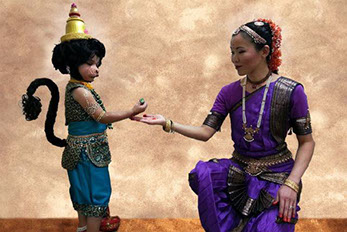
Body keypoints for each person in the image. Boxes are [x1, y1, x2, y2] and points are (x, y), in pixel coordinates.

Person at [134, 19, 315, 231]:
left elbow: (307, 143)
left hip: (278, 175)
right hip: (239, 171)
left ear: (264, 51)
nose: (234, 59)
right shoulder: (229, 92)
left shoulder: (291, 91)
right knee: (203, 175)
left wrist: (291, 184)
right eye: (231, 52)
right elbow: (205, 132)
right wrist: (168, 123)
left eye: (240, 51)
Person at [21, 4, 147, 232]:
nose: (96, 69)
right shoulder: (80, 91)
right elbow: (102, 116)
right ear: (72, 64)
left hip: (79, 151)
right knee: (94, 195)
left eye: (97, 63)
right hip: (88, 152)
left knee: (82, 192)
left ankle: (82, 228)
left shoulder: (77, 88)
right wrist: (131, 111)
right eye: (90, 64)